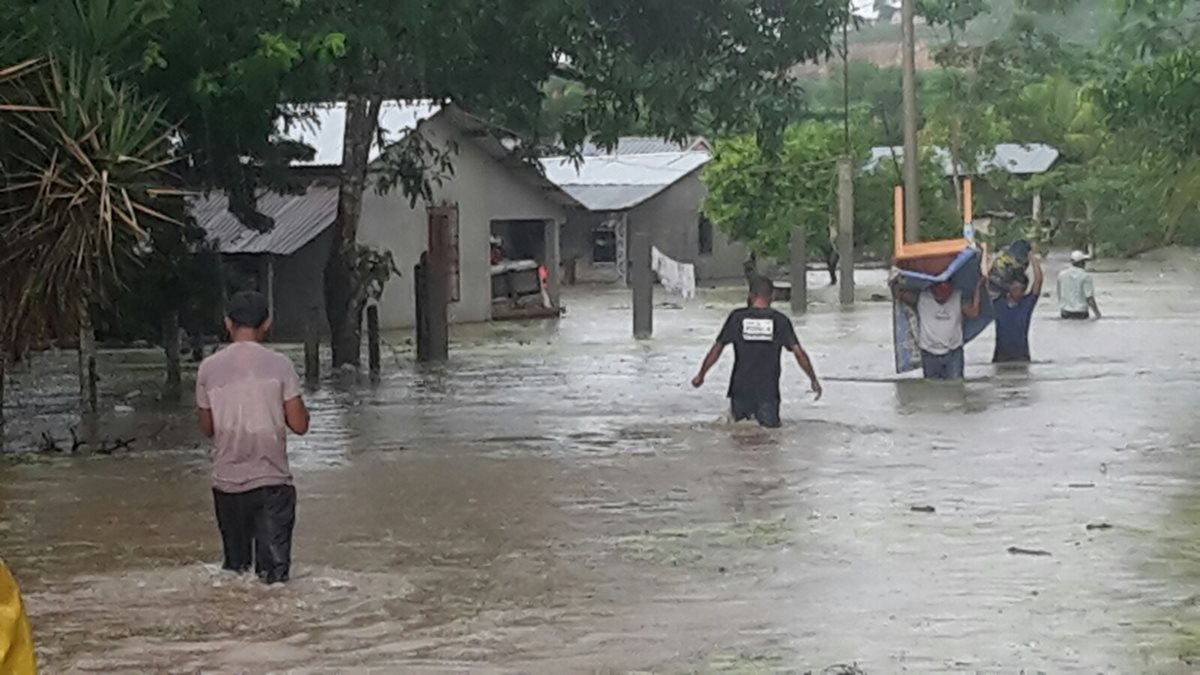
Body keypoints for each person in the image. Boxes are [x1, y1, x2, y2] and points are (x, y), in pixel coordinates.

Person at [196, 291, 309, 584]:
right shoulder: (281, 365)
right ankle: (278, 629)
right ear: (267, 324)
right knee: (273, 581)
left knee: (236, 573)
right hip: (271, 483)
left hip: (227, 485)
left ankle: (237, 628)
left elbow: (208, 428)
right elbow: (299, 425)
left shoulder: (208, 368)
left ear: (227, 323)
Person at [691, 275, 822, 428]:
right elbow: (799, 353)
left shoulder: (737, 318)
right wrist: (813, 379)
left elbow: (717, 349)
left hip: (740, 389)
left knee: (739, 435)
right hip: (768, 392)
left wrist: (701, 374)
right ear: (772, 295)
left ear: (750, 295)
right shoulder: (780, 320)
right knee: (769, 438)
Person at [892, 277, 984, 380]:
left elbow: (974, 313)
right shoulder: (922, 297)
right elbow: (899, 294)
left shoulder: (958, 297)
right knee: (933, 389)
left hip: (953, 352)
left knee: (955, 387)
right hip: (929, 353)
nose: (942, 296)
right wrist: (897, 280)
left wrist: (978, 288)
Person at [992, 250, 1043, 363]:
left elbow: (1038, 281)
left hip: (1022, 357)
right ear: (1009, 287)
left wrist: (1033, 259)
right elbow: (986, 283)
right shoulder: (998, 303)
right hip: (1001, 358)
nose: (1019, 291)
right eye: (1016, 288)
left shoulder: (1026, 304)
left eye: (1021, 289)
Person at [1057, 250, 1101, 320]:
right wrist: (1098, 314)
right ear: (1082, 263)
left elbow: (1060, 295)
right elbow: (1089, 298)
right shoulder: (1086, 276)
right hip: (1081, 313)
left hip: (1065, 312)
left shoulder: (1061, 275)